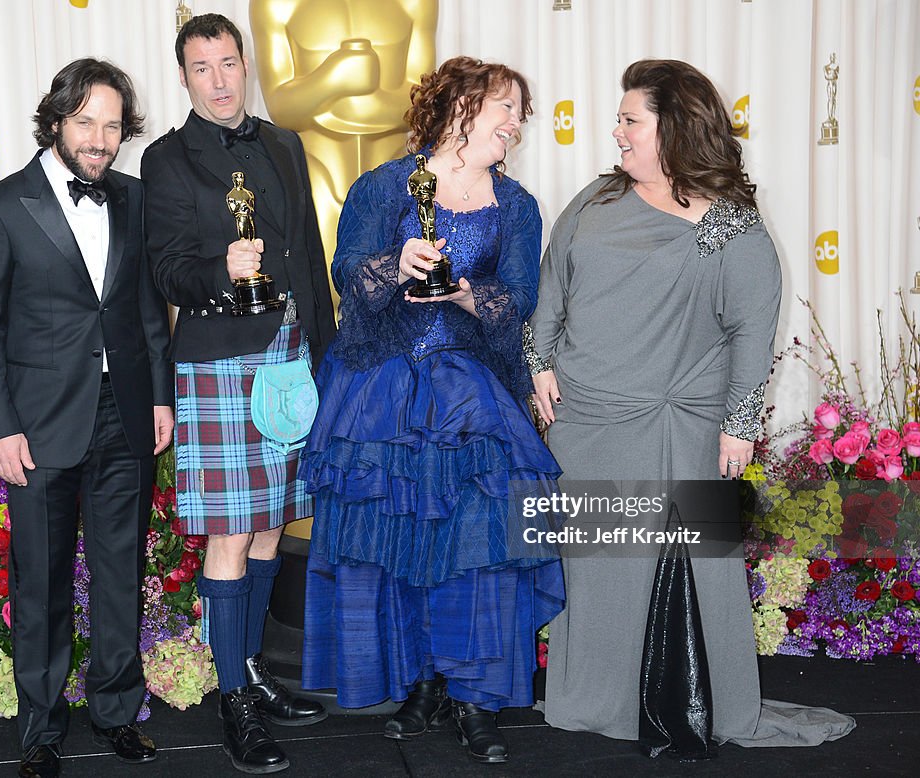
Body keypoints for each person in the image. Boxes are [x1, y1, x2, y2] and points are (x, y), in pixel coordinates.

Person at [529, 59, 854, 751]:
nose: (615, 132)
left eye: (629, 120)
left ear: (671, 129)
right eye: (619, 119)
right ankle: (592, 703)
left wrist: (738, 425)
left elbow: (748, 329)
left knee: (697, 573)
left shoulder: (725, 228)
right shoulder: (595, 198)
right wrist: (540, 361)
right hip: (586, 421)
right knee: (597, 576)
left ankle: (709, 703)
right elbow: (553, 282)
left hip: (682, 423)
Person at [300, 56, 564, 765]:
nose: (515, 124)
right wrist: (399, 260)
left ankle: (477, 697)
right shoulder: (384, 186)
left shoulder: (519, 205)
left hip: (476, 401)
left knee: (481, 549)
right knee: (401, 545)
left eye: (518, 112)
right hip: (383, 396)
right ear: (460, 107)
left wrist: (459, 294)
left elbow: (516, 301)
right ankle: (422, 684)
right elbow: (348, 276)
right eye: (505, 107)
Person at [0, 58, 173, 778]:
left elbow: (146, 308)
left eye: (113, 125)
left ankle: (116, 711)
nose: (101, 138)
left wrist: (160, 397)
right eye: (86, 122)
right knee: (42, 583)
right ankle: (41, 730)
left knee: (120, 571)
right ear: (56, 120)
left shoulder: (135, 199)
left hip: (125, 416)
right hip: (38, 426)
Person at [140, 13, 336, 775]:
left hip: (290, 356)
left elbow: (308, 258)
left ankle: (249, 670)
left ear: (246, 63)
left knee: (267, 528)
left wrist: (326, 355)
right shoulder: (165, 158)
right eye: (202, 68)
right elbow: (166, 269)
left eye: (229, 63)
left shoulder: (285, 143)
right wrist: (222, 271)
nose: (219, 81)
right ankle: (234, 704)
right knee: (229, 532)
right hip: (219, 360)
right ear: (183, 76)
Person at [249, 0, 438, 313]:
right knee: (325, 295)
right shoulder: (276, 5)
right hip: (316, 174)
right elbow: (281, 107)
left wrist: (338, 98)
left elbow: (423, 100)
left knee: (401, 300)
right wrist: (333, 77)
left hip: (394, 177)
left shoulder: (415, 3)